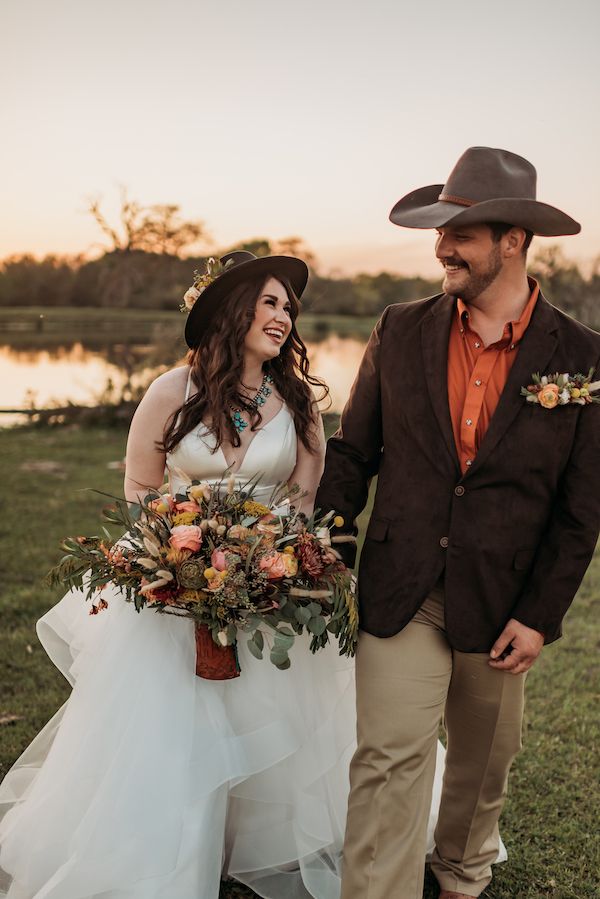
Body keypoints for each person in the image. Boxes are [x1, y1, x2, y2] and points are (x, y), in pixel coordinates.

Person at [0, 251, 357, 899]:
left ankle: (249, 845)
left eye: (288, 307)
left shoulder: (299, 402)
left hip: (265, 589)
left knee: (266, 720)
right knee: (174, 728)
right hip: (172, 591)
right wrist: (172, 556)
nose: (282, 316)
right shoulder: (171, 390)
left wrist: (266, 563)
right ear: (232, 309)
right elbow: (140, 484)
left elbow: (304, 502)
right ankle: (167, 850)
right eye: (269, 302)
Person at [315, 147, 600, 899]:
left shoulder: (581, 356)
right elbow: (351, 452)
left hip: (504, 601)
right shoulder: (398, 328)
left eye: (462, 232)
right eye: (442, 230)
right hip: (403, 584)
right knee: (387, 757)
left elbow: (581, 509)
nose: (443, 246)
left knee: (482, 762)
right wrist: (325, 547)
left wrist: (540, 616)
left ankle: (460, 875)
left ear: (513, 241)